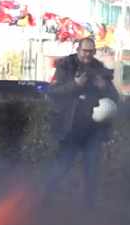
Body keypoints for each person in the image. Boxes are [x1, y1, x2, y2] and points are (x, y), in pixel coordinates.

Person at [45, 38, 117, 208]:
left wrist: (103, 87)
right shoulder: (66, 65)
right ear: (78, 50)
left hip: (93, 130)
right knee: (62, 166)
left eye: (91, 51)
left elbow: (114, 97)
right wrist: (75, 85)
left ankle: (89, 208)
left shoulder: (99, 68)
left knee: (92, 170)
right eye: (85, 51)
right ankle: (44, 200)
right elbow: (53, 91)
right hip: (71, 128)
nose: (88, 55)